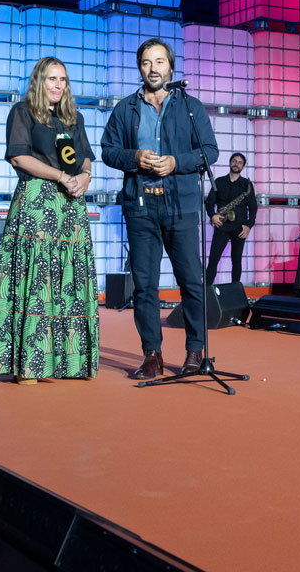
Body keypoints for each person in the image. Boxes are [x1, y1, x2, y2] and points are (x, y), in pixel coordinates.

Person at [101, 38, 218, 379]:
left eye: (159, 62)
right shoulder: (126, 108)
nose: (153, 69)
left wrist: (176, 162)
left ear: (171, 66)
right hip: (141, 208)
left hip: (181, 206)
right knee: (144, 286)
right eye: (146, 63)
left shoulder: (191, 107)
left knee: (191, 282)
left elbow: (209, 151)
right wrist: (134, 157)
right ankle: (152, 354)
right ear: (139, 68)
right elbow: (108, 151)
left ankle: (195, 351)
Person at [0, 57, 99, 384]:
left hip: (71, 205)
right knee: (37, 277)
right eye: (51, 79)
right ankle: (28, 363)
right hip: (38, 201)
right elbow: (19, 157)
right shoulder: (23, 112)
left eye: (63, 79)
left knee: (70, 277)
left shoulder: (74, 118)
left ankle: (70, 362)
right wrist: (60, 176)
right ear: (39, 81)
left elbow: (86, 158)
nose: (58, 85)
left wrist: (85, 177)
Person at [205, 153, 257, 286]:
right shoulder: (219, 181)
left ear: (243, 167)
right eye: (234, 161)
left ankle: (235, 291)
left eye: (240, 162)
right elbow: (209, 202)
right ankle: (206, 292)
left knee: (237, 260)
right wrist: (212, 215)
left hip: (239, 227)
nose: (236, 164)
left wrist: (248, 225)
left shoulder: (247, 184)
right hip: (221, 226)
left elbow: (253, 208)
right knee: (213, 260)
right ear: (230, 163)